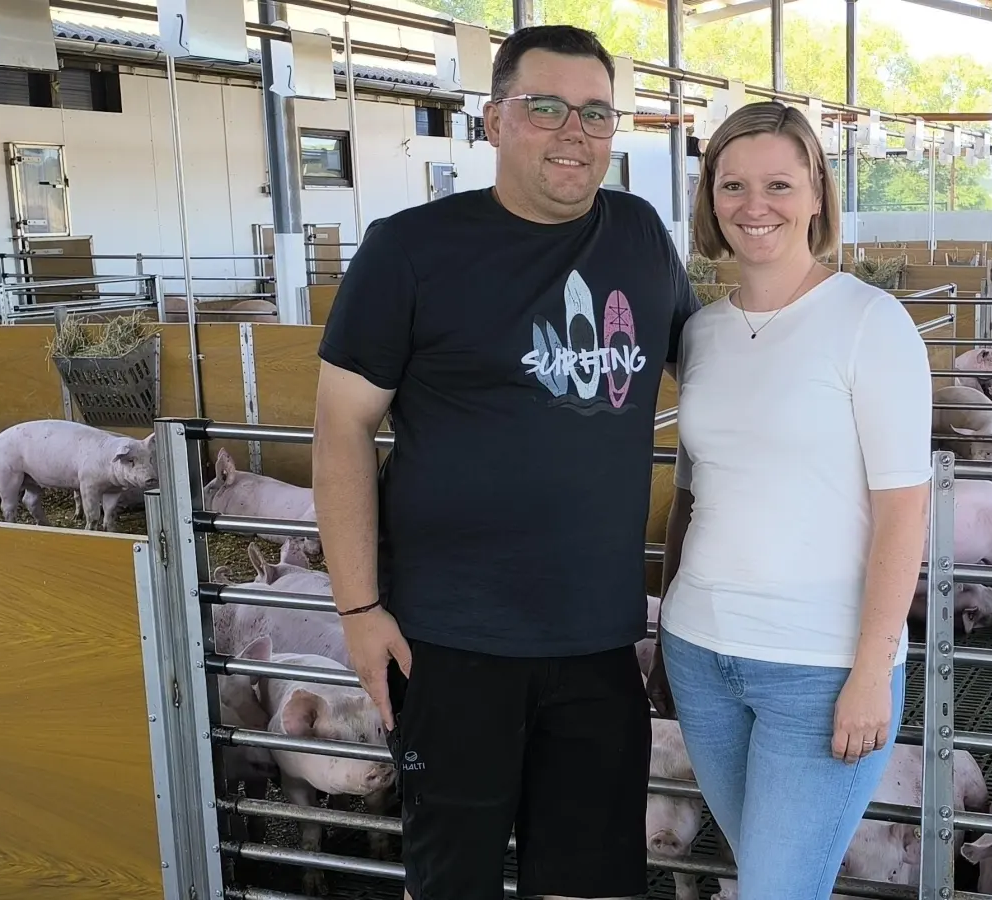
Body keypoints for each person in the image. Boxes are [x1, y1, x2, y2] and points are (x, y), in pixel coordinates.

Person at [310, 24, 699, 900]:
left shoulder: (640, 237)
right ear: (493, 121)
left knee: (594, 881)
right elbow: (340, 430)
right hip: (448, 645)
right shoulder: (409, 250)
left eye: (597, 113)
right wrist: (358, 607)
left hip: (601, 642)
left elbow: (717, 372)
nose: (575, 131)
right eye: (546, 107)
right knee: (454, 880)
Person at [647, 101, 933, 898]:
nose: (754, 205)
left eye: (778, 183)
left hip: (819, 666)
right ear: (709, 200)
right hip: (700, 651)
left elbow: (904, 511)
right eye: (731, 185)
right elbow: (691, 497)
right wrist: (669, 625)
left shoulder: (871, 323)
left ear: (816, 194)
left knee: (776, 888)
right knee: (773, 879)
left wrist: (872, 672)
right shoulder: (700, 333)